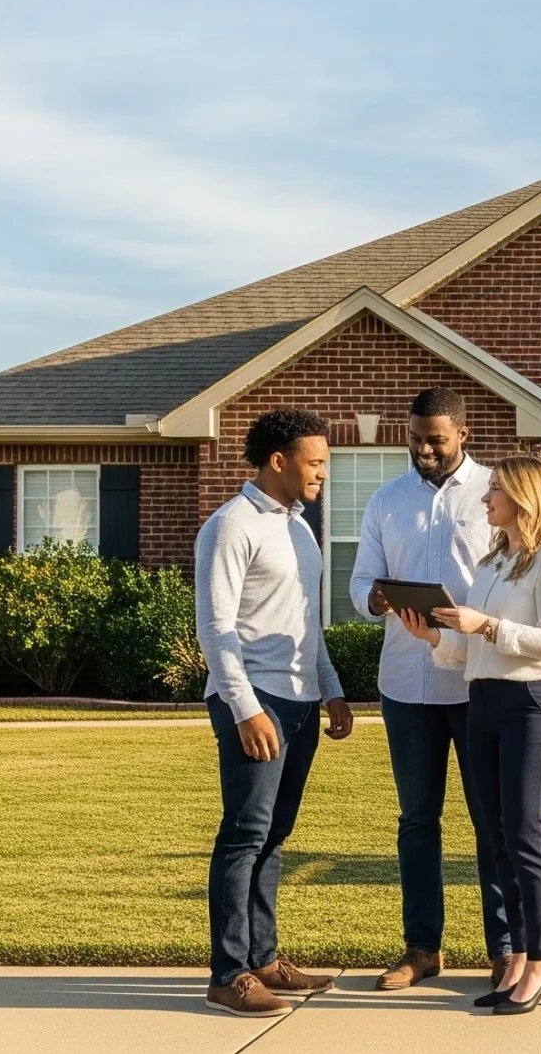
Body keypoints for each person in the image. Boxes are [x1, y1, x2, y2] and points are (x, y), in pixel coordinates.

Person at [394, 454, 541, 1015]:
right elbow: (470, 651)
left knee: (525, 834)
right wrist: (432, 636)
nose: (484, 498)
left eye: (494, 489)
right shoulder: (494, 561)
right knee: (496, 837)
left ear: (524, 496)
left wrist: (486, 624)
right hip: (484, 703)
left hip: (532, 705)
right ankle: (519, 954)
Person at [197, 407, 356, 1019]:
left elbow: (306, 623)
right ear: (278, 461)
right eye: (315, 462)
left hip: (298, 701)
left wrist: (331, 688)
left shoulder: (300, 528)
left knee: (274, 834)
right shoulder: (230, 525)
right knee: (243, 834)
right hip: (253, 700)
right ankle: (228, 973)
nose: (323, 473)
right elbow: (215, 626)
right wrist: (243, 707)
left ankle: (264, 959)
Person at [345, 387, 501, 993]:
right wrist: (374, 599)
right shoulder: (387, 499)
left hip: (478, 678)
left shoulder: (495, 493)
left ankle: (504, 949)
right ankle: (422, 948)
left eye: (434, 439)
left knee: (492, 821)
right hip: (407, 684)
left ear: (462, 433)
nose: (423, 450)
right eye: (415, 439)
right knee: (417, 819)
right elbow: (361, 580)